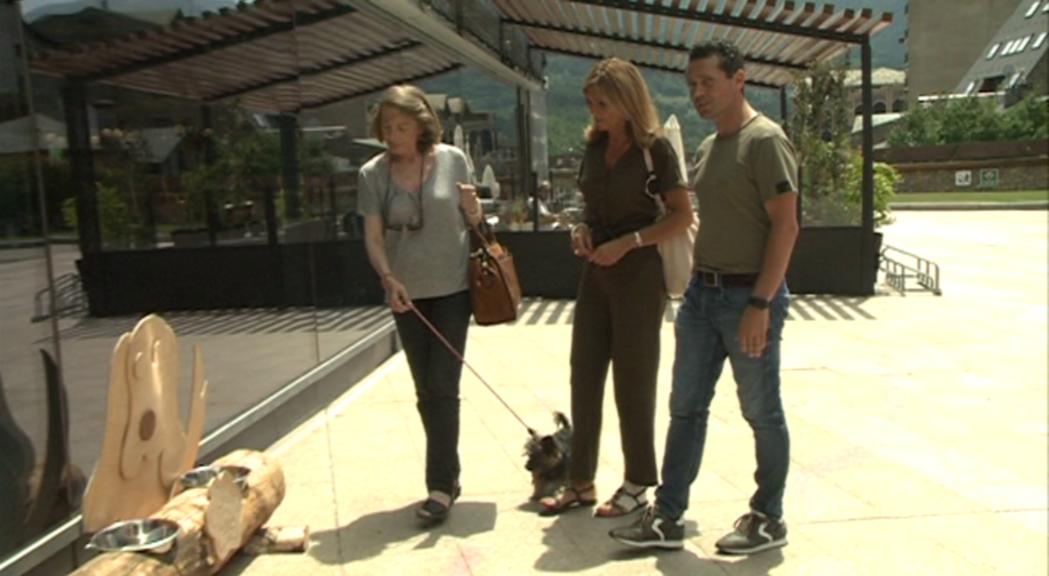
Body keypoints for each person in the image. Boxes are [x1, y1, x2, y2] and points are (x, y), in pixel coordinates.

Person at [610, 39, 799, 554]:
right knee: (685, 407)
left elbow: (786, 226)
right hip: (702, 296)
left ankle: (768, 517)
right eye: (692, 84)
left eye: (708, 83)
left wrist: (760, 304)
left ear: (740, 79)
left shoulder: (766, 141)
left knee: (761, 411)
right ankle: (668, 518)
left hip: (748, 298)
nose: (698, 93)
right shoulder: (708, 147)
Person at [539, 58, 694, 517]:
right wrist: (581, 228)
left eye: (602, 103)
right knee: (583, 374)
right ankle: (581, 479)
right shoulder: (593, 147)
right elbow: (589, 209)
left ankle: (638, 482)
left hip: (639, 272)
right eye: (590, 103)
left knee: (634, 381)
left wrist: (631, 241)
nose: (594, 112)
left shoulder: (656, 151)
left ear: (627, 102)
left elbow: (682, 216)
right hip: (597, 270)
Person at [357, 85, 482, 524]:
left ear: (421, 125)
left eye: (401, 127)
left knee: (443, 386)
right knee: (425, 390)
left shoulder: (452, 159)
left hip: (452, 289)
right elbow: (373, 236)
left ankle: (439, 486)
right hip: (404, 293)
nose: (392, 135)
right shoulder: (372, 174)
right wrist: (387, 278)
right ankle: (449, 473)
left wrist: (474, 208)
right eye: (387, 128)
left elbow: (474, 222)